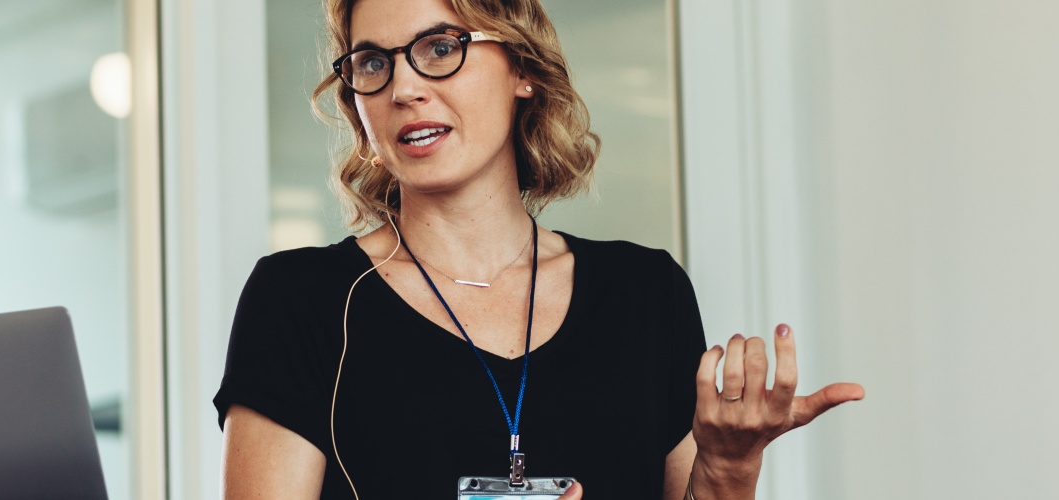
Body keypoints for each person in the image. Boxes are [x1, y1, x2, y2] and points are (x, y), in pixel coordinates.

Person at [213, 0, 865, 498]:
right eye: (373, 63)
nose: (404, 88)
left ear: (522, 68)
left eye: (441, 46)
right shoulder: (299, 301)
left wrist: (728, 469)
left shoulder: (646, 294)